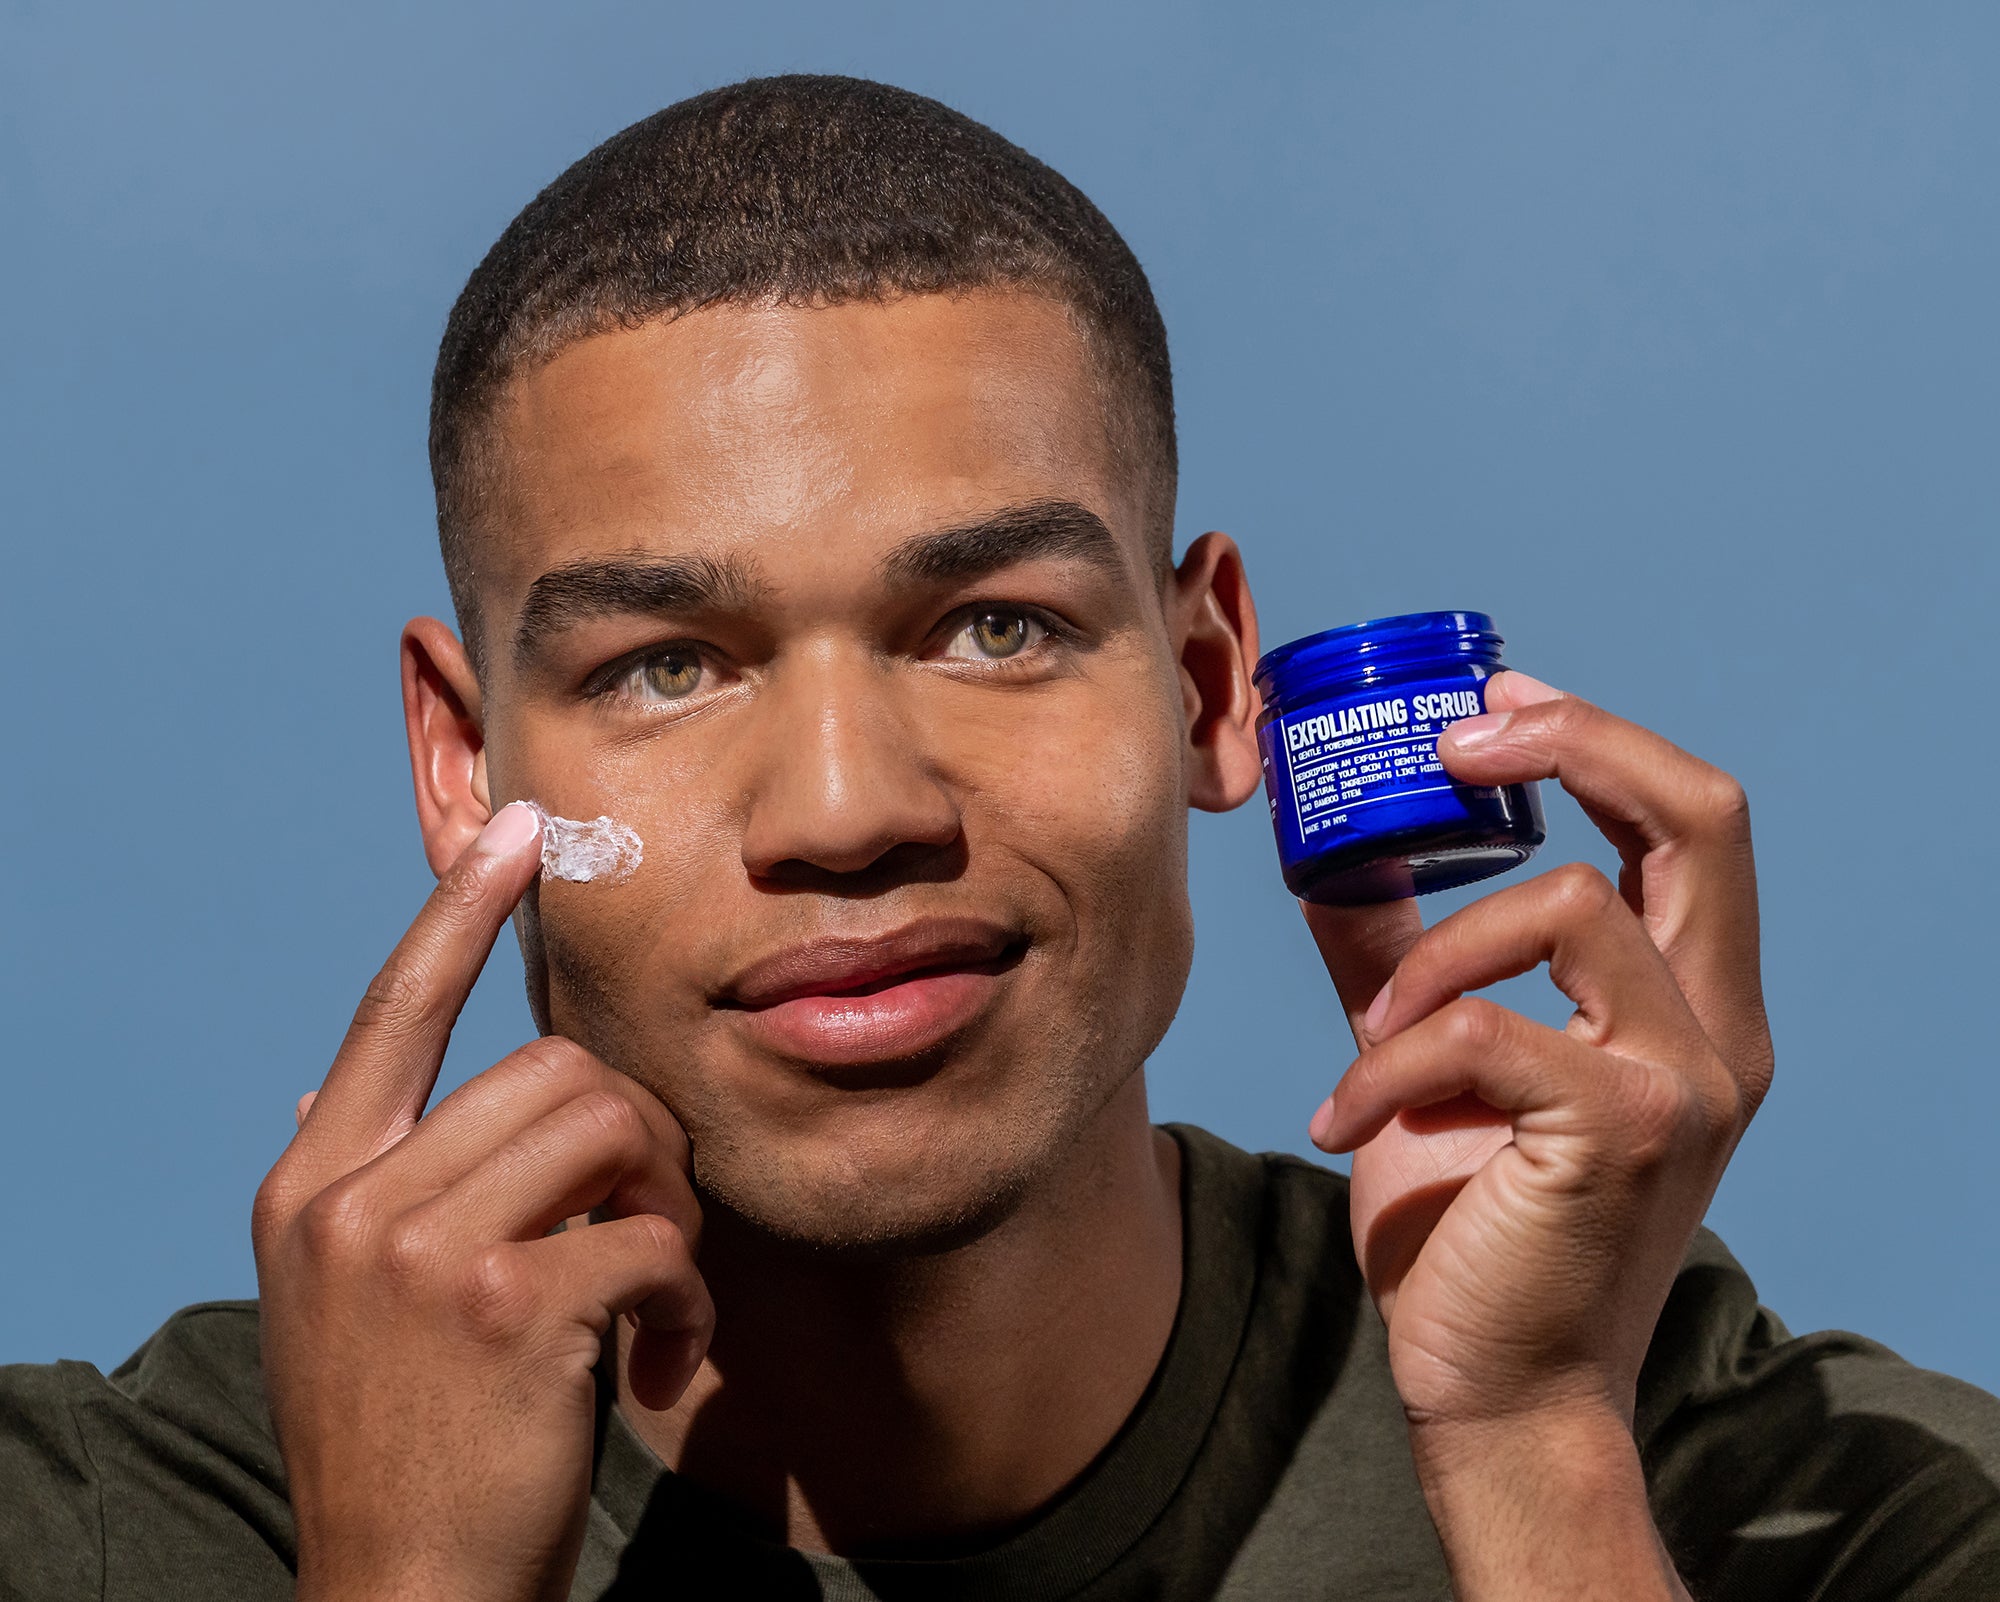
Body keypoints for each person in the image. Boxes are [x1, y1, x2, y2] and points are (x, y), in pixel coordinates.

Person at [3, 73, 1997, 1602]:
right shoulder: (89, 1533)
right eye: (665, 669)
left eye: (994, 630)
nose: (853, 811)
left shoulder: (1823, 1510)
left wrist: (1540, 1450)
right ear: (463, 765)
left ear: (1214, 685)